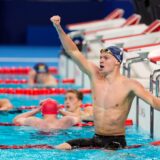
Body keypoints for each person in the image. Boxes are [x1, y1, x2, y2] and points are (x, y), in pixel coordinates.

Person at [50, 15, 160, 150]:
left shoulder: (129, 85)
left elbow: (154, 102)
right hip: (96, 138)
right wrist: (58, 28)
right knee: (61, 148)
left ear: (117, 62)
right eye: (100, 57)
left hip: (115, 142)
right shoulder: (95, 76)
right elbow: (73, 51)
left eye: (106, 58)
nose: (101, 60)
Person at [13, 99, 79, 132]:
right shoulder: (66, 120)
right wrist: (61, 111)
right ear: (57, 111)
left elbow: (16, 120)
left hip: (40, 140)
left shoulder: (34, 120)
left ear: (42, 111)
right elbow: (79, 118)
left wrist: (36, 110)